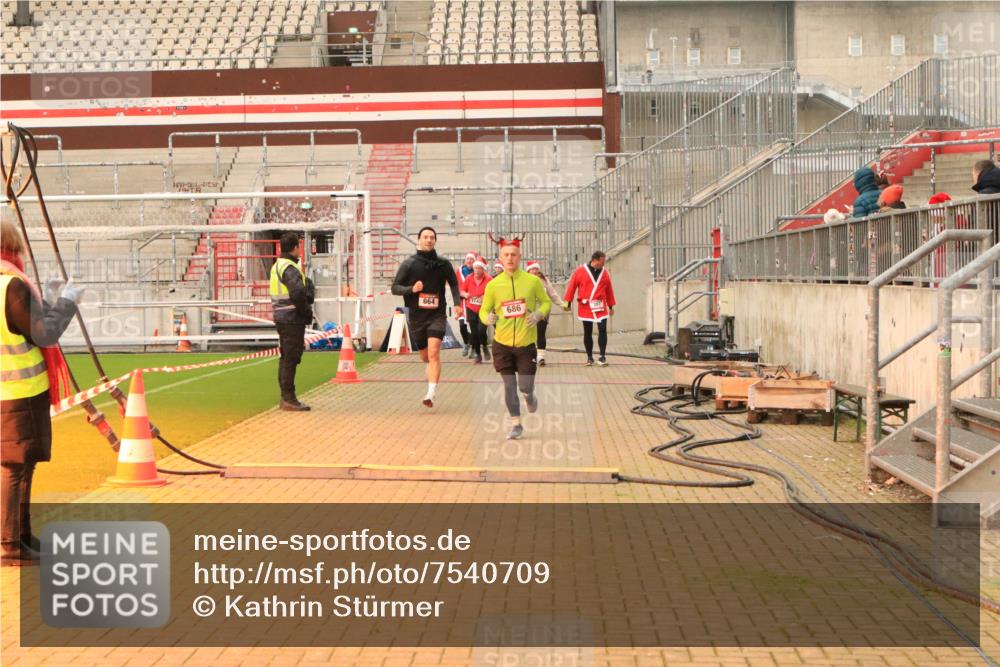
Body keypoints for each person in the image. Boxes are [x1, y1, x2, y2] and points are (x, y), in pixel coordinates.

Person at [1, 220, 83, 566]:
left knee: (21, 465)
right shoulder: (11, 284)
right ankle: (10, 544)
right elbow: (44, 334)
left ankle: (21, 536)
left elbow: (26, 325)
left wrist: (46, 299)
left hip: (8, 391)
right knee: (15, 468)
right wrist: (66, 303)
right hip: (20, 391)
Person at [479, 240, 552, 440]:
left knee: (524, 386)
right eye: (506, 255)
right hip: (502, 344)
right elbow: (484, 310)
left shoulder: (532, 281)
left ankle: (529, 396)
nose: (510, 258)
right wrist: (487, 318)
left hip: (525, 344)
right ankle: (516, 424)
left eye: (513, 254)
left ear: (519, 257)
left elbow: (546, 302)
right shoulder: (493, 285)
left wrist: (538, 314)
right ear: (500, 259)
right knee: (509, 385)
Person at [391, 226, 462, 408]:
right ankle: (431, 374)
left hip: (437, 314)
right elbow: (395, 288)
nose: (429, 240)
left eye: (432, 237)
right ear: (419, 240)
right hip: (417, 317)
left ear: (435, 240)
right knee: (425, 357)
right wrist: (411, 289)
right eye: (425, 237)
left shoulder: (443, 264)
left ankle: (431, 393)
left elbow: (454, 284)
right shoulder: (409, 264)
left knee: (434, 353)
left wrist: (457, 304)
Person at [269, 232, 315, 411]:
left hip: (282, 317)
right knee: (291, 358)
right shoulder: (289, 267)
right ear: (296, 247)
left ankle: (286, 397)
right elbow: (297, 293)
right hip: (291, 318)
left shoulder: (278, 265)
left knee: (286, 357)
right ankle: (289, 398)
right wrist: (307, 312)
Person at [564, 251, 616, 366]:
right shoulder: (580, 271)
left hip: (600, 306)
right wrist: (567, 302)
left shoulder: (605, 273)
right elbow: (572, 286)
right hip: (586, 306)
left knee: (602, 329)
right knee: (587, 331)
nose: (603, 264)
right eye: (602, 262)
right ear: (595, 260)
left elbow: (609, 290)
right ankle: (589, 357)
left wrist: (611, 305)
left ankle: (602, 356)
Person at [525, 260, 561, 367]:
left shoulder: (544, 280)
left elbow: (552, 294)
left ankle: (541, 357)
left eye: (536, 268)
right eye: (533, 269)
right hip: (528, 312)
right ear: (528, 270)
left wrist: (562, 304)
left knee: (541, 333)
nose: (535, 271)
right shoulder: (524, 280)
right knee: (528, 335)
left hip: (542, 312)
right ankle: (529, 356)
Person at [461, 259, 492, 363]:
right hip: (471, 308)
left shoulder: (488, 279)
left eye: (479, 268)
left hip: (484, 309)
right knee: (474, 333)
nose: (477, 270)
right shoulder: (469, 278)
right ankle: (478, 355)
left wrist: (485, 296)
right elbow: (462, 290)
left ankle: (485, 346)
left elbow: (493, 292)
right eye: (475, 268)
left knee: (481, 331)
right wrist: (465, 294)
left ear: (483, 269)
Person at [456, 252, 477, 358]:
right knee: (462, 326)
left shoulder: (478, 271)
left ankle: (474, 348)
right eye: (468, 259)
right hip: (462, 302)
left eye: (472, 259)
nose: (469, 261)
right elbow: (454, 286)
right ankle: (467, 343)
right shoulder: (459, 272)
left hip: (474, 302)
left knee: (474, 327)